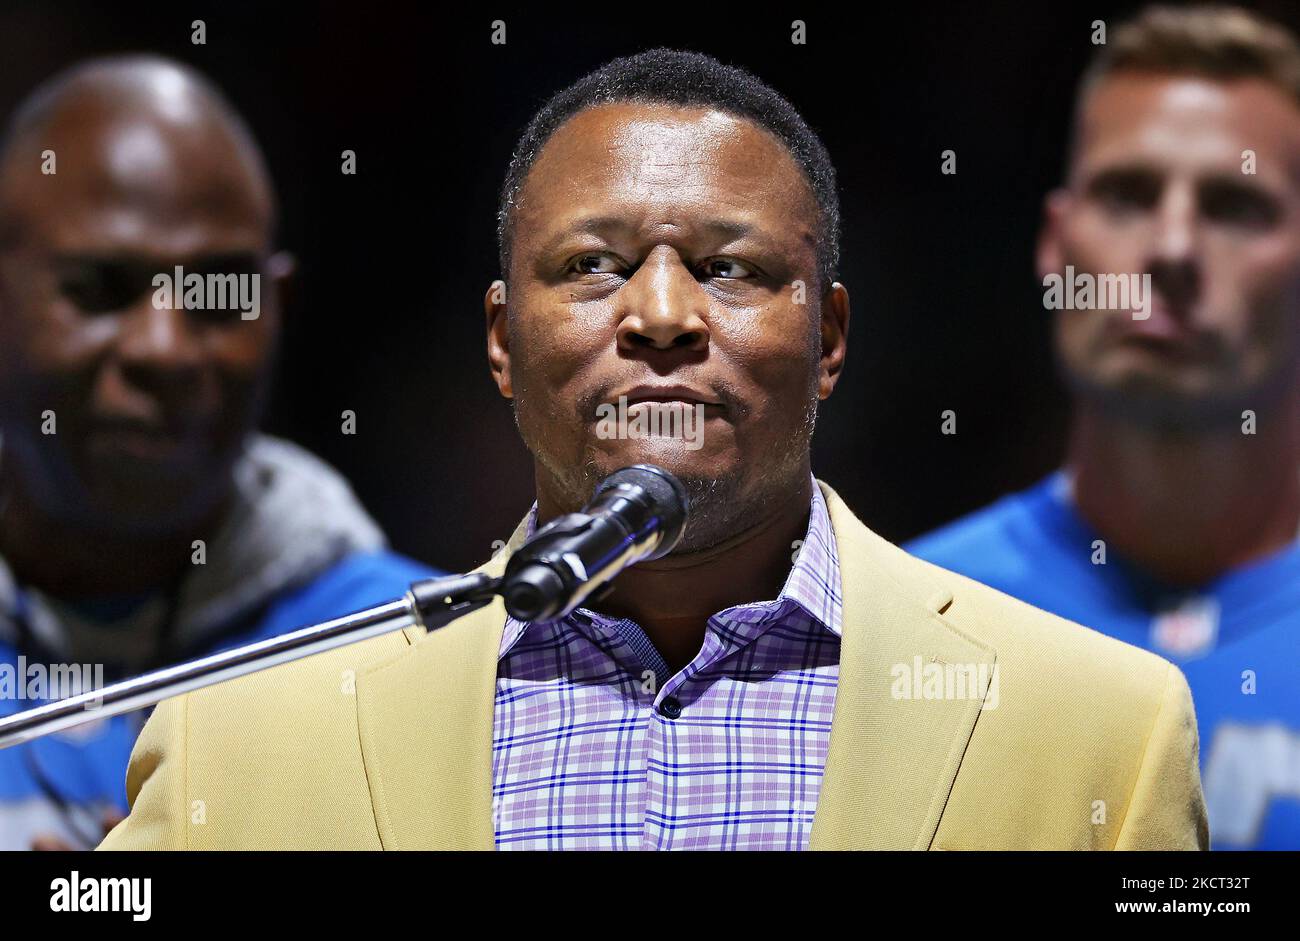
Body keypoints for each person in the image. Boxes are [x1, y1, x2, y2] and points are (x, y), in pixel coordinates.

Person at [102, 48, 1205, 851]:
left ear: (827, 340)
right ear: (501, 342)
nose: (664, 313)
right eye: (592, 265)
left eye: (730, 267)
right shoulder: (230, 745)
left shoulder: (1102, 731)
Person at [0, 56, 437, 850]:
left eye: (220, 290)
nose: (163, 347)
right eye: (101, 287)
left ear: (279, 310)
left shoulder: (416, 649)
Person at [907, 6, 1300, 849]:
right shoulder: (901, 621)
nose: (1172, 246)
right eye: (1127, 195)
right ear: (1056, 246)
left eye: (1234, 204)